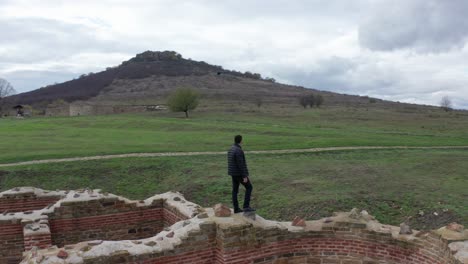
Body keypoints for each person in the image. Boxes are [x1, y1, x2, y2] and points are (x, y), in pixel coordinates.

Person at [227, 135, 255, 213]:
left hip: (233, 173)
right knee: (249, 187)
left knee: (235, 191)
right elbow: (241, 164)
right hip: (239, 174)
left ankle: (236, 209)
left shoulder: (231, 149)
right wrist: (244, 176)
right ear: (241, 141)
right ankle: (246, 206)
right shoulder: (238, 150)